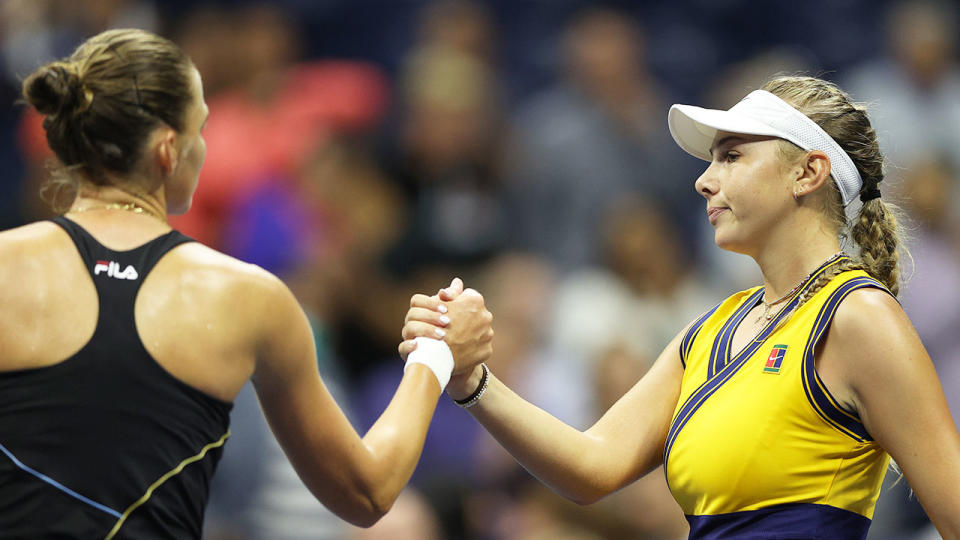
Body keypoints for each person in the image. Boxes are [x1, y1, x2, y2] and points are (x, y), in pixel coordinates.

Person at [401, 75, 960, 538]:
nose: (703, 180)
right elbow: (593, 465)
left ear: (807, 173)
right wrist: (473, 379)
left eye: (732, 156)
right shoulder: (712, 329)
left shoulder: (859, 318)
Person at [0, 28, 493, 538]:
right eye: (202, 129)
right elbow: (368, 492)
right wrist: (436, 352)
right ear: (169, 150)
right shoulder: (246, 298)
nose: (206, 148)